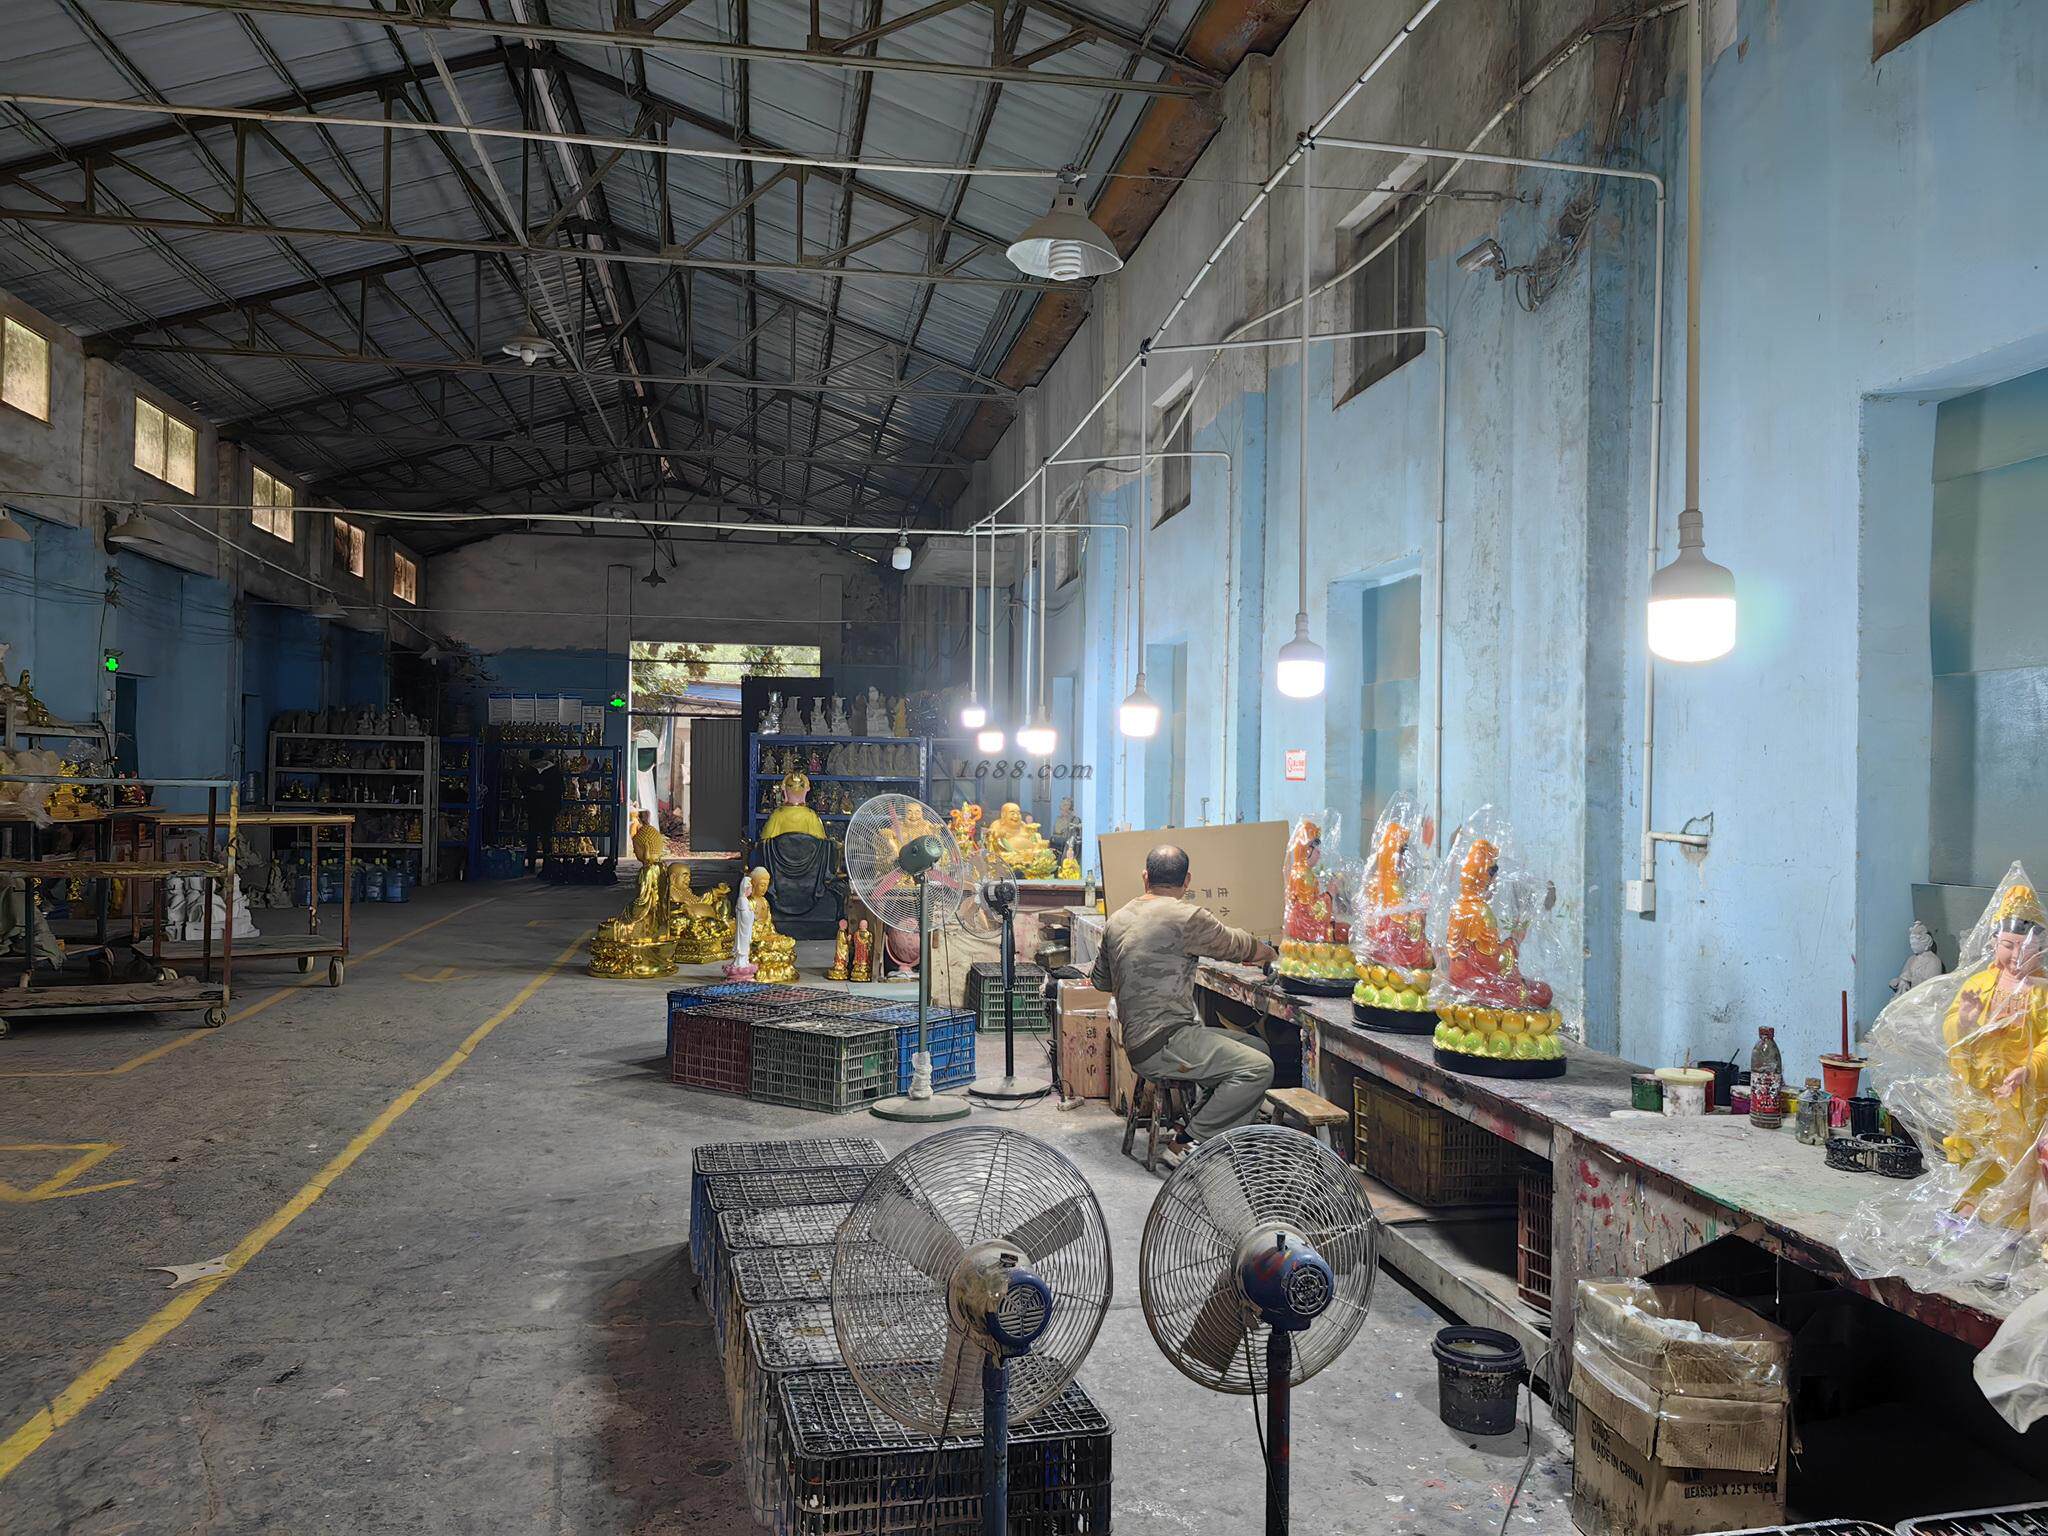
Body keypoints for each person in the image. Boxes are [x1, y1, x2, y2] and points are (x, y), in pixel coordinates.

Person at [1090, 844, 1278, 1161]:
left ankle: (1190, 1127)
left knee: (1257, 1047)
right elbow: (1237, 946)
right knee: (1258, 1069)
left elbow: (1101, 981)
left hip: (1136, 1040)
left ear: (1145, 877)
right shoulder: (1188, 917)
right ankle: (1188, 1144)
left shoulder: (1117, 919)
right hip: (1163, 1041)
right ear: (1187, 880)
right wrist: (1270, 954)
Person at [521, 753, 563, 874]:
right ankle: (535, 865)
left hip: (545, 809)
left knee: (544, 838)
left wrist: (544, 789)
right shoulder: (532, 771)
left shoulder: (553, 772)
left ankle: (545, 865)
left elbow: (560, 789)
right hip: (537, 809)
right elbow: (523, 785)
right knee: (535, 838)